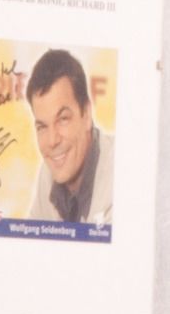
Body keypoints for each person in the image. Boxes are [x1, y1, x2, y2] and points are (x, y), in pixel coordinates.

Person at [25, 50, 112, 227]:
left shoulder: (120, 175)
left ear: (86, 115)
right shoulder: (48, 173)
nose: (52, 141)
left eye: (63, 119)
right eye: (42, 126)